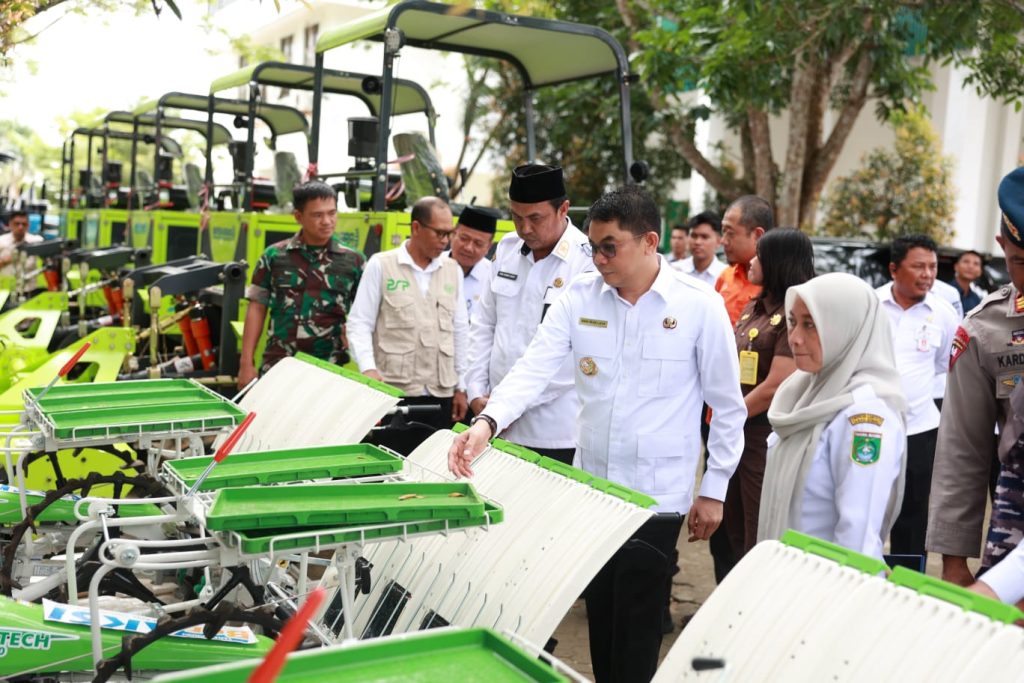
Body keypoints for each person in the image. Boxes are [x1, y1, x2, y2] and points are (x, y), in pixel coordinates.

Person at [451, 185, 746, 683]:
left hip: (657, 495)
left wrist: (714, 489)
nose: (599, 258)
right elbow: (533, 368)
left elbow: (727, 406)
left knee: (638, 624)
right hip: (592, 491)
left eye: (610, 247)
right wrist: (487, 422)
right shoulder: (580, 297)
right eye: (593, 246)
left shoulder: (698, 306)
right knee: (601, 614)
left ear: (649, 242)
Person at [758, 273, 908, 560]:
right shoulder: (803, 392)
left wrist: (837, 586)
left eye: (810, 324)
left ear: (847, 328)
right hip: (785, 571)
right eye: (792, 322)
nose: (794, 338)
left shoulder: (865, 416)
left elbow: (857, 536)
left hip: (826, 578)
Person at [927, 167, 1024, 587]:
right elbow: (962, 450)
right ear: (1002, 246)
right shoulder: (984, 330)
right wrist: (953, 564)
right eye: (1021, 262)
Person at [465, 164, 593, 465]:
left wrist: (507, 406)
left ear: (563, 209)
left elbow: (574, 355)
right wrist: (476, 392)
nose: (525, 229)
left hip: (554, 430)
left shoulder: (586, 261)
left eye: (535, 218)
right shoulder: (507, 249)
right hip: (494, 421)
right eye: (516, 217)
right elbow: (484, 324)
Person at [723, 229, 815, 567]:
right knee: (732, 527)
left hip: (765, 435)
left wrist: (728, 418)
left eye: (759, 255)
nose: (751, 261)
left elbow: (776, 385)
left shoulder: (796, 313)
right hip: (739, 431)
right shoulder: (755, 305)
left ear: (778, 261)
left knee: (759, 530)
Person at [347, 196, 469, 428]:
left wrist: (462, 386)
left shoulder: (453, 271)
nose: (445, 241)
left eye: (449, 234)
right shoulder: (381, 265)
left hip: (440, 393)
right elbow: (359, 323)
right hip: (393, 389)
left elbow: (460, 331)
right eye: (439, 233)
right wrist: (368, 369)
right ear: (416, 228)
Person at [875, 235, 959, 559]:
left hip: (920, 431)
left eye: (933, 267)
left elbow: (944, 364)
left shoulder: (943, 314)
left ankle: (907, 583)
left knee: (913, 520)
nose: (927, 275)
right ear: (894, 269)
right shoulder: (872, 306)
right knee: (867, 512)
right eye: (919, 266)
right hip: (872, 428)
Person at [239, 181, 363, 388]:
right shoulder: (274, 256)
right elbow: (256, 308)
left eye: (332, 213)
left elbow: (365, 316)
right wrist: (246, 363)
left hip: (329, 368)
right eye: (317, 215)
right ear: (298, 216)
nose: (327, 221)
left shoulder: (354, 261)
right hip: (279, 364)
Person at [716, 196, 774, 323]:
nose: (723, 241)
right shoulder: (726, 276)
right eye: (723, 232)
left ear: (758, 235)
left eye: (730, 233)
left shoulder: (776, 285)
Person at [448, 205, 497, 320]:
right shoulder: (432, 265)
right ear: (453, 234)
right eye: (464, 238)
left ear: (489, 247)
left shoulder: (494, 278)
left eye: (478, 244)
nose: (469, 248)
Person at [676, 211, 726, 286]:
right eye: (694, 236)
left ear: (718, 241)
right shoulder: (676, 270)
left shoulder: (725, 275)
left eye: (704, 237)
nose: (697, 242)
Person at [0, 210, 43, 278]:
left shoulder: (37, 241)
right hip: (6, 283)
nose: (20, 227)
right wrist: (5, 260)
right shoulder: (1, 241)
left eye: (24, 224)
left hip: (29, 284)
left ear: (28, 225)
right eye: (17, 224)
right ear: (10, 224)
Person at [950, 249, 986, 314]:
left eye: (976, 264)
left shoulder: (976, 299)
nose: (970, 266)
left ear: (980, 271)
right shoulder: (946, 292)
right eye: (966, 262)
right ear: (956, 266)